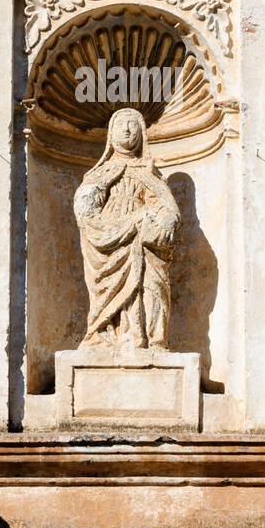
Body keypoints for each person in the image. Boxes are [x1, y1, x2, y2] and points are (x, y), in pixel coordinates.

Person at [73, 107, 180, 348]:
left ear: (142, 133)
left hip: (143, 240)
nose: (128, 129)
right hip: (110, 236)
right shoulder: (100, 172)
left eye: (133, 124)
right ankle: (107, 336)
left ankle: (149, 339)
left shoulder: (150, 173)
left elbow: (168, 209)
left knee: (149, 285)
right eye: (122, 124)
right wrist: (105, 228)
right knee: (109, 288)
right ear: (111, 133)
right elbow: (84, 208)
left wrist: (160, 220)